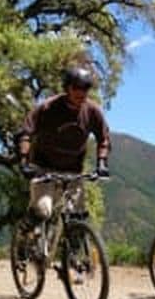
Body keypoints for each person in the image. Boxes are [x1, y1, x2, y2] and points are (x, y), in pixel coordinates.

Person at [16, 65, 110, 228]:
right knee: (43, 211)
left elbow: (103, 138)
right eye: (77, 88)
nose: (82, 92)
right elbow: (26, 133)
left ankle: (74, 252)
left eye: (86, 88)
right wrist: (24, 161)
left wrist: (101, 163)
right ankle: (25, 235)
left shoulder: (92, 111)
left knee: (77, 217)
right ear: (67, 88)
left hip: (73, 171)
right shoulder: (48, 107)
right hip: (43, 168)